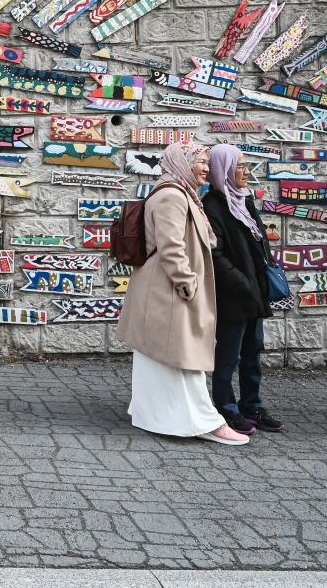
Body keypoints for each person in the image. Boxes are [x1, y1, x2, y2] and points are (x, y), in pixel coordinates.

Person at [115, 141, 247, 446]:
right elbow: (171, 247)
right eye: (199, 161)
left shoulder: (182, 193)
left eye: (206, 161)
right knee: (185, 359)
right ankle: (206, 421)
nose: (205, 167)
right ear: (181, 161)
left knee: (162, 358)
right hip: (169, 290)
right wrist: (187, 284)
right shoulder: (172, 196)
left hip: (164, 289)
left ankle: (155, 416)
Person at [204, 143, 283, 435]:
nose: (247, 172)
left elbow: (259, 241)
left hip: (255, 291)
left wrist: (262, 277)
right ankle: (226, 409)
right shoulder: (212, 205)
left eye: (247, 166)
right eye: (240, 166)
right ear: (223, 169)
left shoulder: (244, 200)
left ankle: (253, 406)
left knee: (253, 352)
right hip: (234, 294)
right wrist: (243, 282)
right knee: (229, 355)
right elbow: (214, 254)